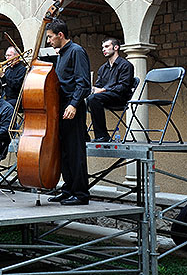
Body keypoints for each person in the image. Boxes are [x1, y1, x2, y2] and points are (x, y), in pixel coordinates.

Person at [46, 19, 91, 206]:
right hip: (61, 107)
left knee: (75, 152)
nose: (48, 41)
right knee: (64, 152)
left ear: (60, 35)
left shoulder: (77, 52)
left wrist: (73, 105)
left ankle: (80, 194)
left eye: (50, 37)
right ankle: (68, 190)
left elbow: (83, 83)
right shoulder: (62, 54)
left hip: (73, 107)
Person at [88, 38, 134, 142]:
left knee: (94, 99)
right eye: (103, 47)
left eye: (107, 47)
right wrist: (92, 88)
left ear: (116, 47)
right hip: (105, 97)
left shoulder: (126, 65)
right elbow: (98, 85)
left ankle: (102, 136)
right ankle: (84, 135)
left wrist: (104, 90)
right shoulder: (103, 68)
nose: (104, 49)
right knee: (83, 99)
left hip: (120, 97)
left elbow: (123, 87)